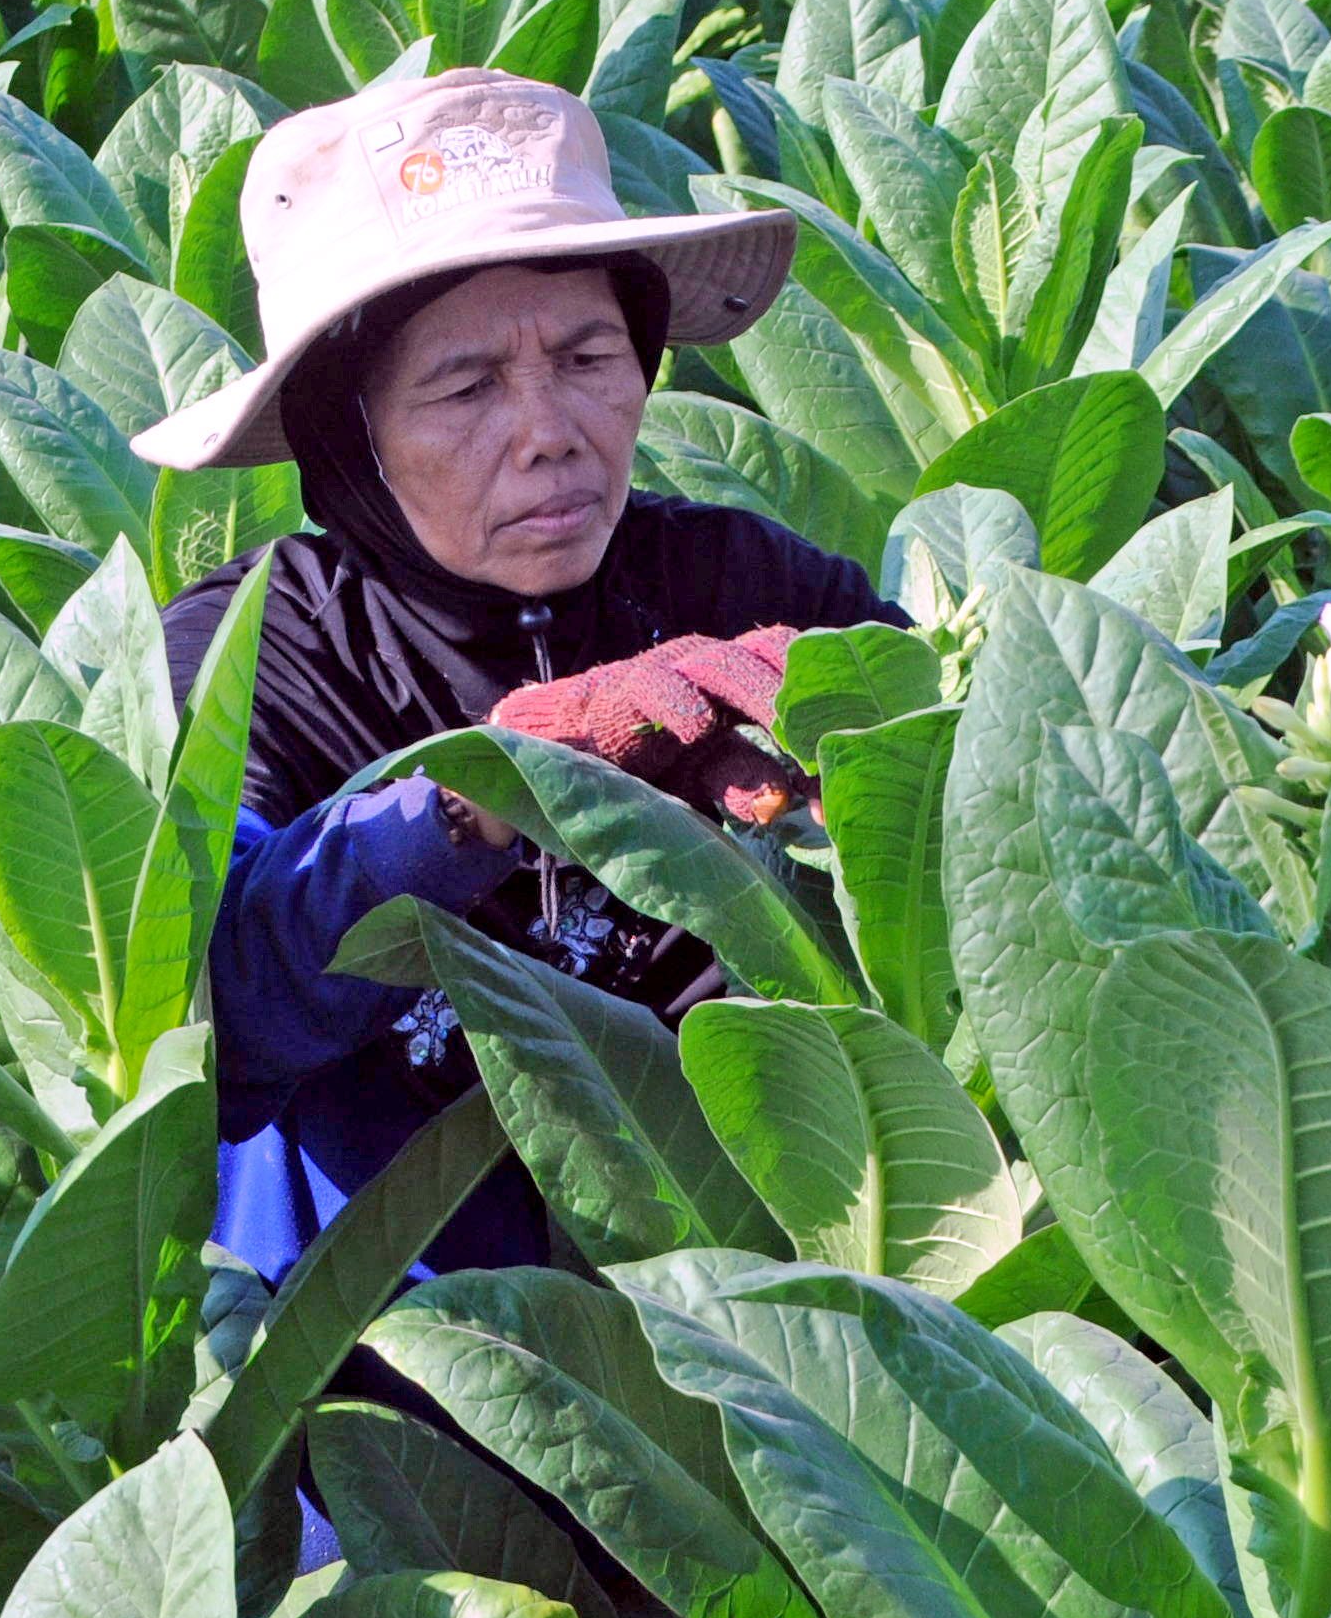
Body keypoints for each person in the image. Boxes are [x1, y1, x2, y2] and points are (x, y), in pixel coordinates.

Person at [137, 69, 906, 1280]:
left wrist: (856, 762)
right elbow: (214, 1017)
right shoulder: (257, 652)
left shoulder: (743, 582)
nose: (550, 432)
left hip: (761, 1288)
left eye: (589, 356)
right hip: (403, 1340)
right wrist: (484, 789)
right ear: (349, 431)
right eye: (467, 385)